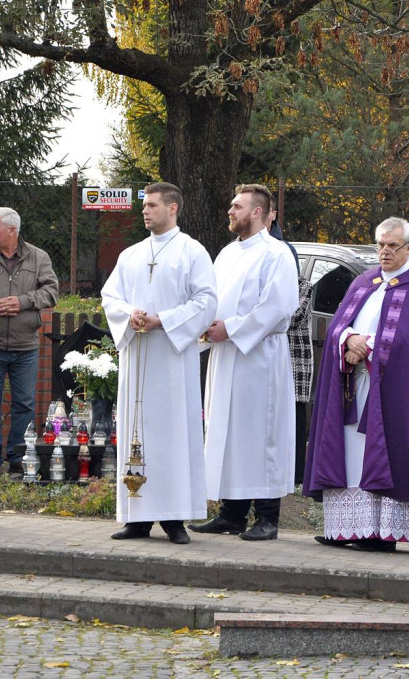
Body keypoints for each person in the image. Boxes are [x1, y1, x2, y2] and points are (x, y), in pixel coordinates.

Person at [302, 217, 409, 551]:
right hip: (353, 385)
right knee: (351, 456)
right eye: (381, 245)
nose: (385, 252)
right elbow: (338, 325)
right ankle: (345, 529)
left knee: (386, 453)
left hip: (393, 393)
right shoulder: (363, 282)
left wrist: (367, 347)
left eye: (392, 246)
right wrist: (347, 339)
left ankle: (380, 533)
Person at [100, 182, 217, 544]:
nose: (145, 211)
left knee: (173, 435)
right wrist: (129, 314)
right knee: (138, 433)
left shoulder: (192, 252)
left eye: (152, 205)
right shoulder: (131, 254)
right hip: (137, 355)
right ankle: (137, 518)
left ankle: (174, 519)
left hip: (171, 357)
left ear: (173, 208)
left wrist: (162, 320)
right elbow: (110, 296)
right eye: (144, 206)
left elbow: (206, 301)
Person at [188, 184, 299, 541]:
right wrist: (205, 326)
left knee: (260, 434)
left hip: (259, 356)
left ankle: (267, 517)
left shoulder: (276, 254)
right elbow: (210, 297)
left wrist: (232, 328)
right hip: (225, 354)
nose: (230, 212)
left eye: (237, 206)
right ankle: (232, 513)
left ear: (257, 212)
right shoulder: (226, 254)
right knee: (227, 432)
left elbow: (278, 306)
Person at [0, 207, 60, 480]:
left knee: (24, 403)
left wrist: (22, 301)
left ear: (12, 230)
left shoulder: (39, 257)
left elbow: (52, 292)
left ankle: (18, 457)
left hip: (26, 345)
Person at [265, 208, 313, 484]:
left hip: (296, 362)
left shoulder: (302, 287)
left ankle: (296, 473)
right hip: (275, 361)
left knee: (295, 419)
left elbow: (290, 317)